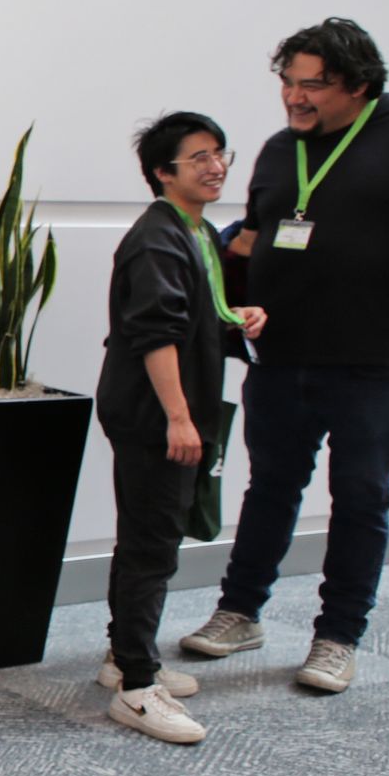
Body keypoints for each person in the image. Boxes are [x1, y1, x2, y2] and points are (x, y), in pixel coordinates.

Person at [180, 19, 389, 693]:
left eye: (313, 85)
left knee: (360, 495)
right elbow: (265, 226)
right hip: (284, 351)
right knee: (270, 487)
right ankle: (241, 612)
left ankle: (338, 636)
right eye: (287, 82)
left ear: (358, 85)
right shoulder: (275, 149)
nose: (295, 97)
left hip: (379, 354)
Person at [96, 113, 267, 744]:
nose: (216, 165)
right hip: (153, 415)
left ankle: (122, 658)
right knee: (153, 544)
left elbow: (194, 316)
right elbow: (155, 333)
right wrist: (179, 418)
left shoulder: (194, 232)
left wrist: (234, 316)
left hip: (164, 410)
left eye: (219, 153)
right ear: (163, 172)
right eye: (198, 157)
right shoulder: (158, 237)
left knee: (144, 535)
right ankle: (138, 687)